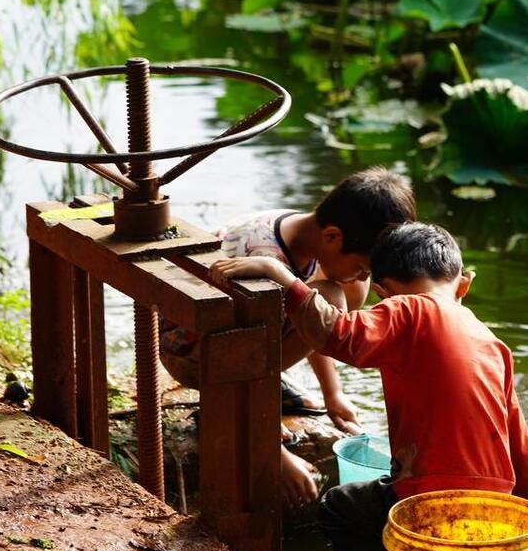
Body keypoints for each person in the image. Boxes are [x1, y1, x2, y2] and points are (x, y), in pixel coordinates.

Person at [209, 222, 528, 551]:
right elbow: (520, 445)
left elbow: (335, 332)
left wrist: (281, 276)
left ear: (383, 292)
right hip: (496, 507)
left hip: (429, 496)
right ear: (463, 285)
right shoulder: (493, 343)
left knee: (340, 509)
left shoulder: (408, 309)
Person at [160, 166, 416, 508]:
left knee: (340, 291)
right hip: (197, 355)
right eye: (361, 265)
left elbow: (309, 319)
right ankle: (225, 413)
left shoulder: (304, 233)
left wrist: (333, 394)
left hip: (239, 337)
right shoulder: (266, 258)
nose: (363, 276)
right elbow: (240, 355)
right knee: (332, 299)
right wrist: (271, 450)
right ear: (333, 237)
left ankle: (270, 386)